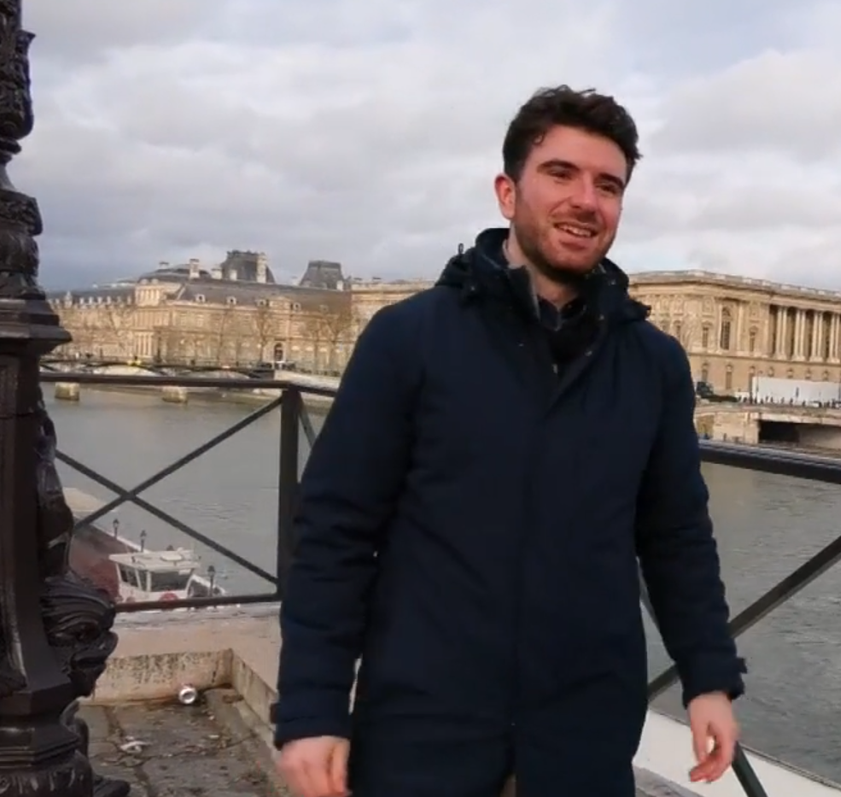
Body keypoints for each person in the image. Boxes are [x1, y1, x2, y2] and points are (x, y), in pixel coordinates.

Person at [272, 85, 747, 797]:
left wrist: (709, 674)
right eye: (561, 173)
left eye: (608, 185)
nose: (587, 200)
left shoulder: (654, 363)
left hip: (583, 737)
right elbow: (335, 532)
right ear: (506, 192)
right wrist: (312, 706)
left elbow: (676, 532)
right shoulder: (408, 339)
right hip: (424, 731)